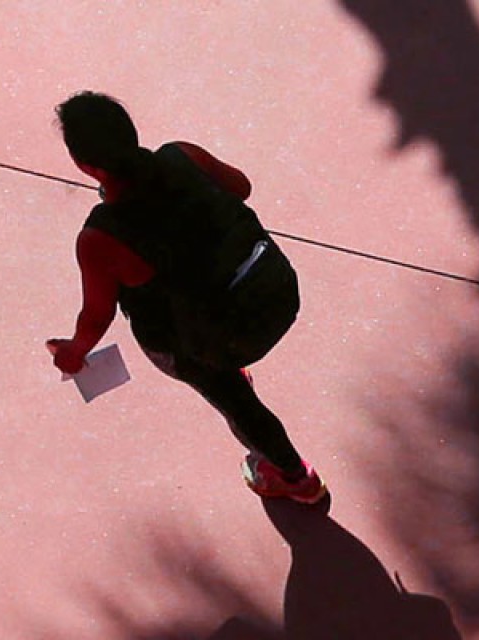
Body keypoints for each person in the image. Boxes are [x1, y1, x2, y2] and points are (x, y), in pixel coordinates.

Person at [45, 91, 327, 504]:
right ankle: (246, 389)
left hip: (212, 341)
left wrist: (74, 353)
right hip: (275, 293)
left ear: (85, 166)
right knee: (222, 353)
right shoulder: (182, 156)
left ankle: (295, 478)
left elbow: (97, 314)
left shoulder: (101, 238)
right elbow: (241, 187)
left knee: (236, 401)